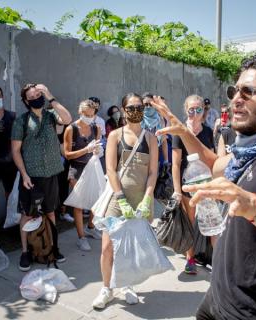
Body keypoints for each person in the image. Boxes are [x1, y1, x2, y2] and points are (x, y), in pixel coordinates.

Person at [153, 54, 256, 320]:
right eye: (235, 90)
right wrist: (184, 132)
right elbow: (214, 163)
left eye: (249, 92)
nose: (236, 98)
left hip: (251, 312)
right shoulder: (248, 150)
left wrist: (254, 205)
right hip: (217, 299)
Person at [92, 92, 158, 310]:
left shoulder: (150, 138)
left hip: (140, 199)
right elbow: (110, 169)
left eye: (139, 106)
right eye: (130, 107)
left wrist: (147, 198)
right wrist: (120, 198)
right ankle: (106, 289)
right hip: (117, 199)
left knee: (131, 247)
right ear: (123, 110)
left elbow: (153, 172)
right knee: (108, 247)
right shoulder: (115, 136)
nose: (135, 111)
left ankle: (127, 284)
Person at [11, 83, 72, 271]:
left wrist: (49, 94)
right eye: (33, 96)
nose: (37, 97)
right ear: (26, 101)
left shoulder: (51, 116)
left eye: (39, 94)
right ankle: (25, 252)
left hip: (52, 174)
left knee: (51, 212)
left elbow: (68, 118)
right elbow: (15, 151)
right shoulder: (21, 121)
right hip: (31, 177)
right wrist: (24, 174)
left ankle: (53, 248)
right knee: (27, 215)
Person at [172, 94, 214, 274]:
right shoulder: (179, 131)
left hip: (204, 183)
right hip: (186, 184)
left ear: (203, 111)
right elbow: (175, 163)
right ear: (185, 110)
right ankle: (190, 258)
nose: (195, 113)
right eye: (191, 110)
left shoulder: (207, 131)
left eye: (199, 109)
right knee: (189, 221)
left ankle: (216, 259)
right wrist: (177, 190)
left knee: (210, 221)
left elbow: (212, 159)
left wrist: (212, 185)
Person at [63, 99, 103, 251]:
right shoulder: (71, 129)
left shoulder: (96, 128)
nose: (89, 117)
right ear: (80, 112)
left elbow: (97, 148)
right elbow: (67, 155)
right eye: (86, 114)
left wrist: (98, 151)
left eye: (92, 115)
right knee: (79, 204)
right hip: (76, 169)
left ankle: (91, 227)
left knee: (96, 200)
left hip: (92, 167)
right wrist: (86, 149)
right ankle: (81, 238)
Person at [141, 92, 170, 175]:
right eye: (145, 104)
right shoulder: (138, 119)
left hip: (155, 156)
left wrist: (166, 160)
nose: (148, 107)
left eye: (151, 104)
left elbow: (163, 140)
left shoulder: (160, 120)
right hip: (140, 156)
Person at [0, 86, 17, 203]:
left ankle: (9, 218)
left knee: (10, 192)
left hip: (10, 162)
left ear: (3, 97)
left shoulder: (12, 116)